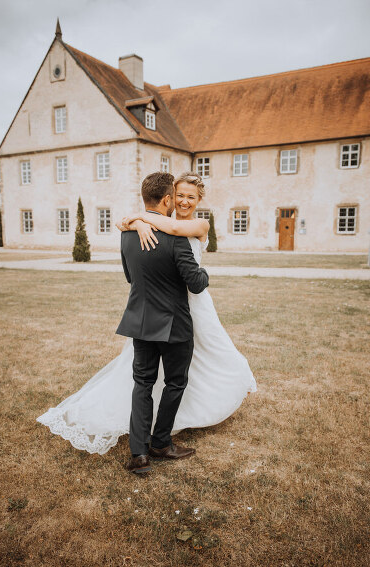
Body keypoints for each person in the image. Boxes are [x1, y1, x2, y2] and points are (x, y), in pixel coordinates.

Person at [37, 172, 256, 473]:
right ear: (169, 197)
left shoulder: (130, 234)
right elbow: (194, 282)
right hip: (177, 320)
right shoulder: (177, 239)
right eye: (179, 195)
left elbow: (130, 275)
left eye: (191, 197)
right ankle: (161, 442)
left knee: (142, 383)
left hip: (140, 318)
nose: (183, 200)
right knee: (175, 382)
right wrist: (205, 275)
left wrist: (137, 221)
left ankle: (138, 454)